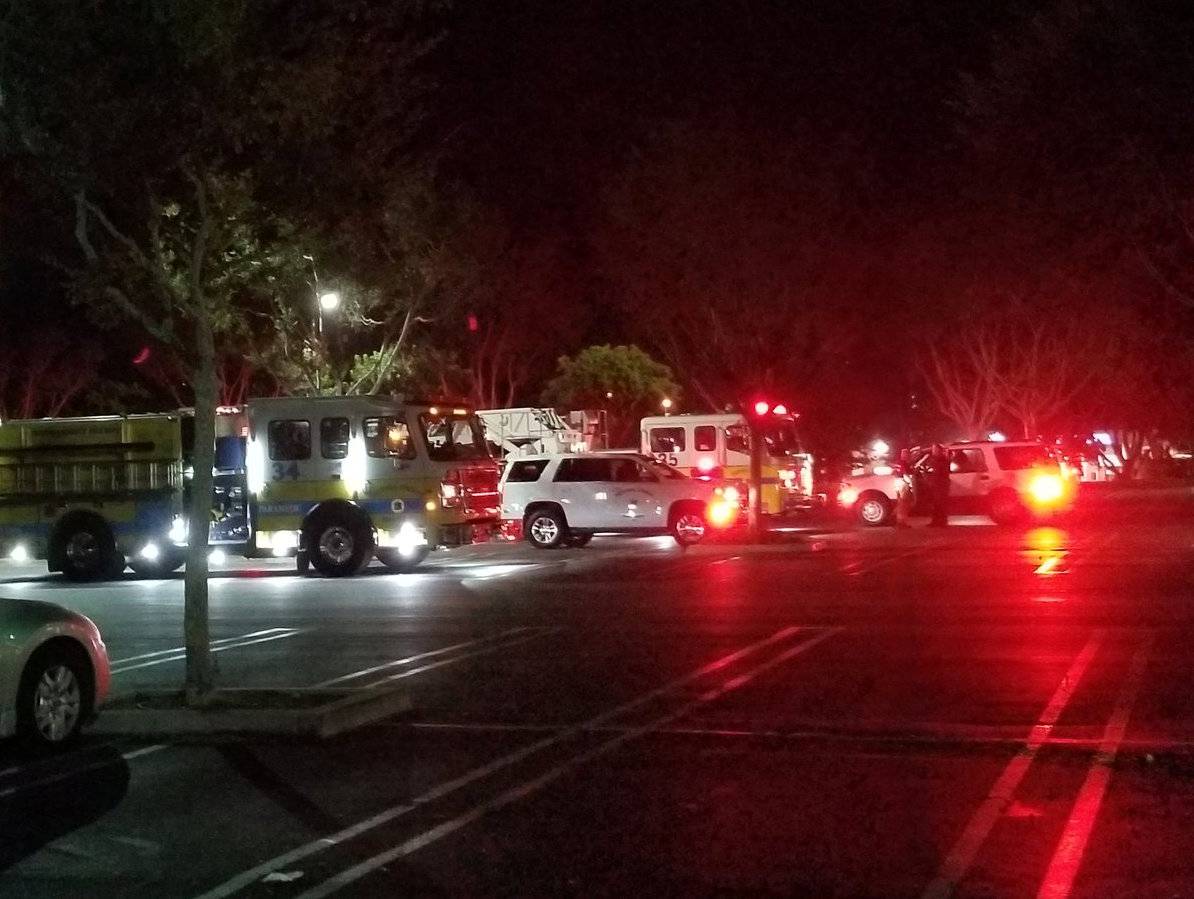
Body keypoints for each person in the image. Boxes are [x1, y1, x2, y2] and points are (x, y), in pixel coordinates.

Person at [929, 444, 951, 527]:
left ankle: (942, 522)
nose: (933, 451)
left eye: (934, 449)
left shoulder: (942, 460)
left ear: (939, 450)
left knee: (940, 504)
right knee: (936, 504)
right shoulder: (936, 460)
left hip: (941, 485)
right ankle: (935, 521)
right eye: (933, 449)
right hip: (937, 485)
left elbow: (940, 473)